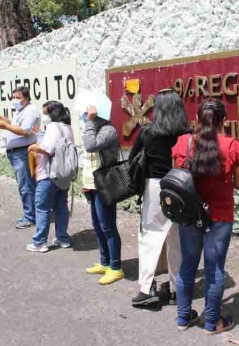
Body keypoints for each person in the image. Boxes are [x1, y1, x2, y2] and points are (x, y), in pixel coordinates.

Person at [171, 99, 239, 334]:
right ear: (224, 120)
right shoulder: (232, 146)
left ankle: (183, 318)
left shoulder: (183, 143)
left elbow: (177, 179)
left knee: (187, 265)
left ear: (197, 119)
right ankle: (212, 322)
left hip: (190, 214)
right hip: (220, 215)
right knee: (214, 269)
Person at [129, 89, 191, 307]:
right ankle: (176, 289)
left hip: (155, 187)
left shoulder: (147, 132)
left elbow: (132, 160)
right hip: (182, 186)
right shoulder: (187, 133)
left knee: (150, 237)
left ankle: (147, 287)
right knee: (177, 240)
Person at [82, 105, 125, 285]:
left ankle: (116, 268)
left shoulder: (108, 130)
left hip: (105, 183)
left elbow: (91, 146)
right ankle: (104, 262)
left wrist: (90, 122)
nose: (84, 115)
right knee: (97, 226)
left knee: (107, 226)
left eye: (88, 113)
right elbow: (87, 158)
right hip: (92, 183)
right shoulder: (93, 128)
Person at [26, 101, 74, 253]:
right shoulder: (67, 127)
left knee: (42, 207)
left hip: (48, 174)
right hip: (63, 175)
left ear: (52, 113)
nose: (43, 116)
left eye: (45, 112)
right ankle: (62, 238)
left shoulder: (53, 126)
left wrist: (33, 146)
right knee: (61, 206)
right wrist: (39, 134)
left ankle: (40, 242)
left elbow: (47, 149)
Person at [0, 86, 41, 229]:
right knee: (26, 184)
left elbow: (25, 130)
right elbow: (18, 126)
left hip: (22, 153)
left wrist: (6, 126)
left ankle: (30, 216)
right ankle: (31, 213)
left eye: (18, 97)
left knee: (26, 185)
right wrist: (7, 122)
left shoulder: (30, 110)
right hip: (17, 153)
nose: (15, 100)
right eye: (13, 97)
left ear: (26, 98)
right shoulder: (21, 111)